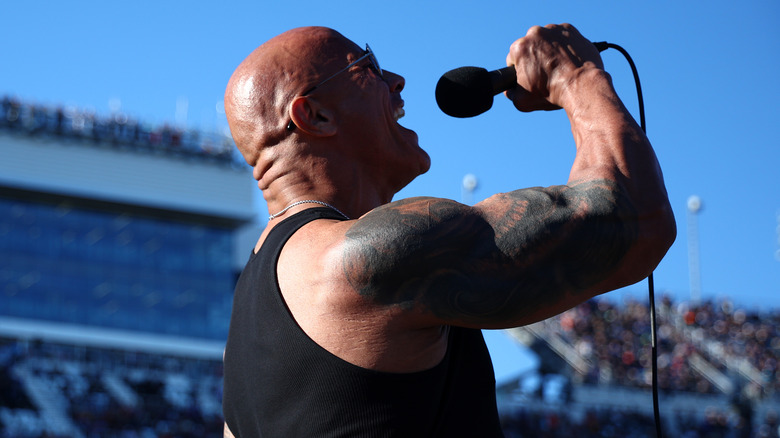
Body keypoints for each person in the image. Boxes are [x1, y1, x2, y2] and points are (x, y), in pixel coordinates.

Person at [221, 23, 676, 437]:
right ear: (316, 116)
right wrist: (575, 78)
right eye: (368, 66)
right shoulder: (361, 255)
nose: (396, 81)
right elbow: (636, 218)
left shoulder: (244, 336)